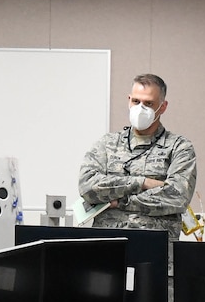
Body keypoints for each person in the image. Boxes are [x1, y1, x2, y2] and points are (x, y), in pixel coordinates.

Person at [79, 73, 198, 237]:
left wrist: (119, 201)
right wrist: (143, 182)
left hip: (155, 247)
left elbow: (177, 197)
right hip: (107, 246)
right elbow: (87, 187)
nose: (140, 108)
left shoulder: (179, 147)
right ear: (129, 100)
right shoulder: (107, 143)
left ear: (162, 107)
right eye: (136, 101)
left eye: (149, 103)